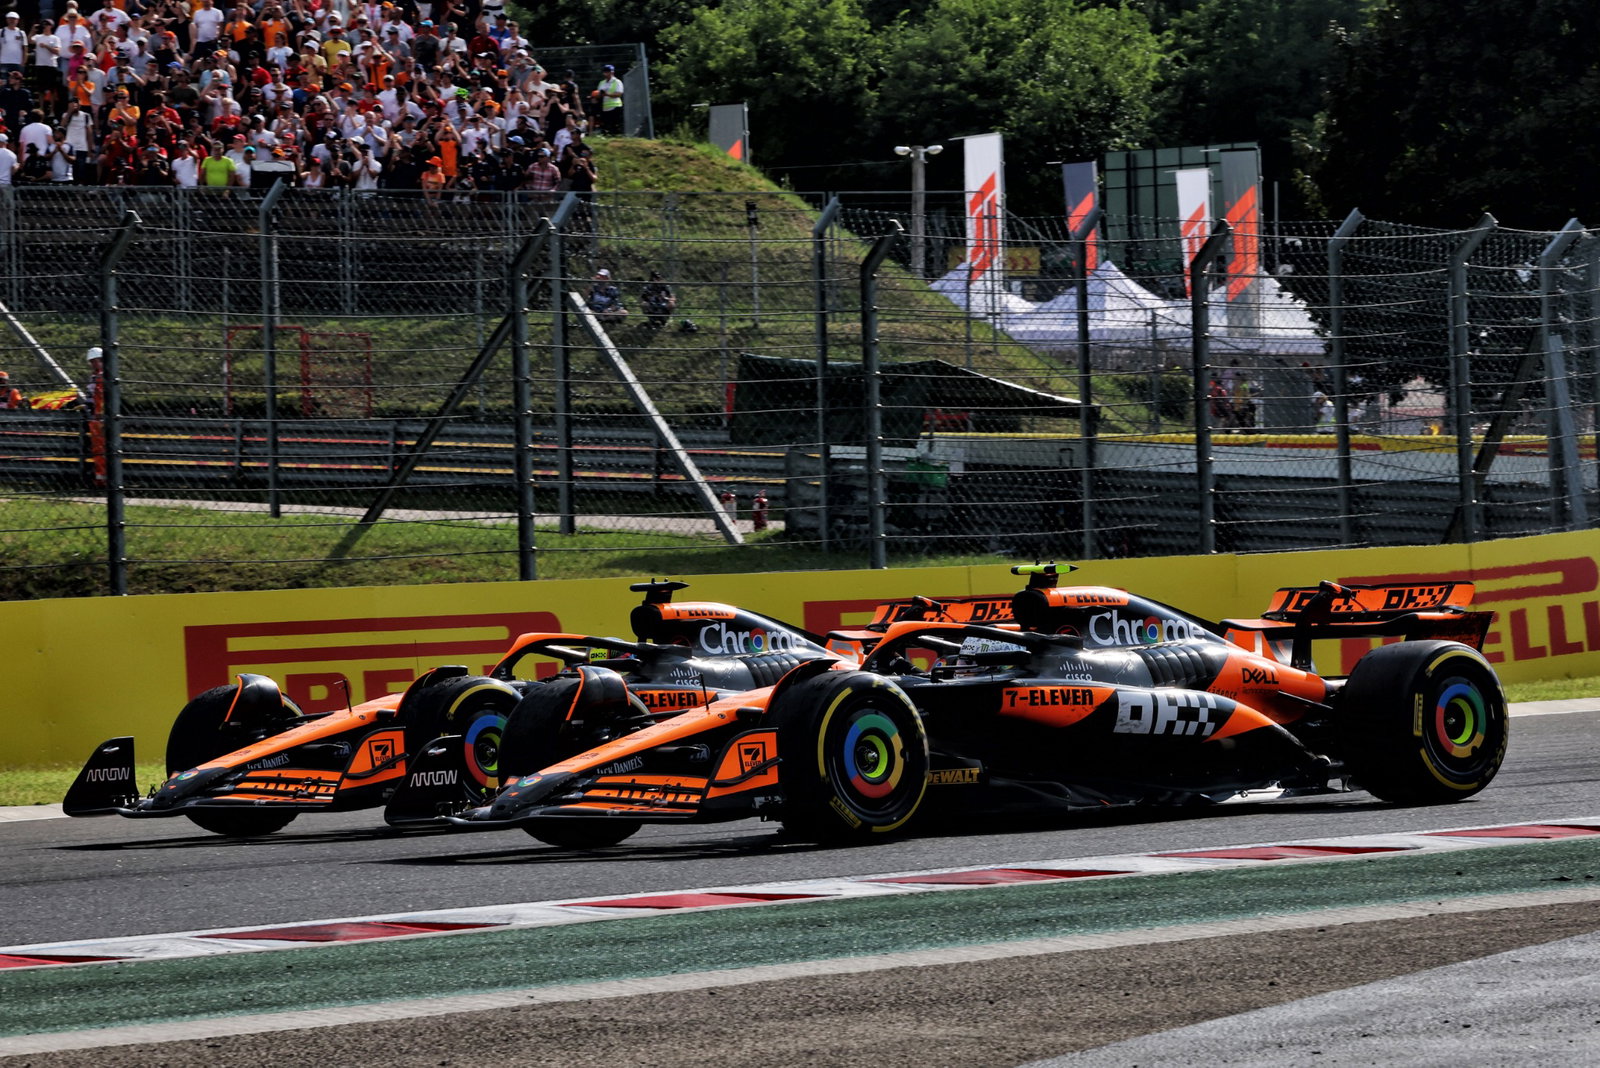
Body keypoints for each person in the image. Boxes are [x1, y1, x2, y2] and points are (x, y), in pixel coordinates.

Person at [593, 62, 622, 135]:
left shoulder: (617, 82)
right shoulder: (601, 83)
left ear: (612, 72)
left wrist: (607, 94)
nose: (606, 73)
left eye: (608, 72)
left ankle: (616, 137)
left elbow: (619, 93)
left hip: (615, 106)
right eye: (605, 72)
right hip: (605, 107)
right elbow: (598, 94)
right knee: (606, 126)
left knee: (615, 125)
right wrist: (595, 96)